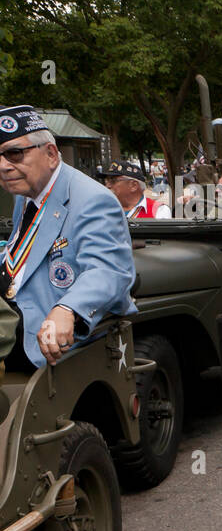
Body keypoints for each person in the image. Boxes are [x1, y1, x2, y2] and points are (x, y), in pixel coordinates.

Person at [0, 105, 136, 368]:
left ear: (50, 154)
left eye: (14, 154)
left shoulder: (92, 199)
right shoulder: (26, 193)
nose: (4, 166)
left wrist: (68, 309)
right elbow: (24, 252)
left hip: (41, 335)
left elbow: (109, 270)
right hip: (16, 314)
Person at [101, 160, 172, 219]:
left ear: (133, 186)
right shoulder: (102, 209)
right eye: (107, 180)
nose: (107, 185)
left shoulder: (159, 210)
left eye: (113, 181)